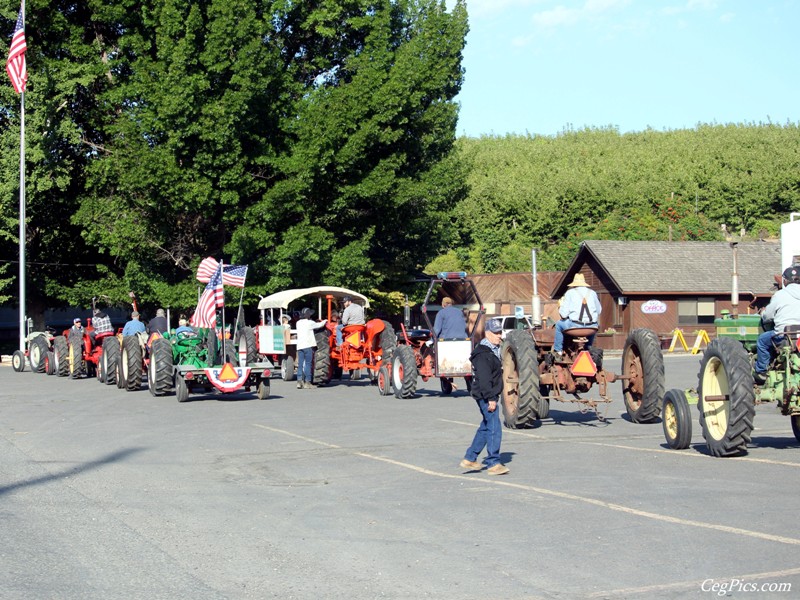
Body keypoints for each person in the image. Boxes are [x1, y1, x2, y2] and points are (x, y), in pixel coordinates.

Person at [460, 318, 509, 476]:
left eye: (500, 332)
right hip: (485, 395)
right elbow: (484, 378)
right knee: (494, 426)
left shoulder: (493, 350)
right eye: (495, 333)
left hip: (487, 393)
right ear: (487, 333)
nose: (499, 336)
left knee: (486, 426)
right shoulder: (483, 354)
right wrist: (491, 398)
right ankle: (493, 462)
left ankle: (470, 458)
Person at [754, 265, 800, 383]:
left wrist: (763, 312)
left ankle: (761, 371)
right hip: (798, 338)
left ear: (785, 281)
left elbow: (768, 316)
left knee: (762, 341)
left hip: (784, 336)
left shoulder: (780, 295)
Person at [553, 273, 602, 355]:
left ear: (574, 284)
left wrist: (560, 306)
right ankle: (588, 347)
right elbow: (599, 310)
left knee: (558, 324)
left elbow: (564, 314)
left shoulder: (570, 293)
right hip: (591, 327)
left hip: (575, 326)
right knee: (593, 325)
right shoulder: (593, 293)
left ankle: (558, 351)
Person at [295, 308, 327, 389]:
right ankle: (307, 382)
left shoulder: (298, 323)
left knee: (300, 364)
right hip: (307, 346)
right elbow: (319, 325)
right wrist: (325, 321)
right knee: (308, 364)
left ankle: (299, 382)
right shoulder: (310, 323)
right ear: (308, 315)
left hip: (299, 346)